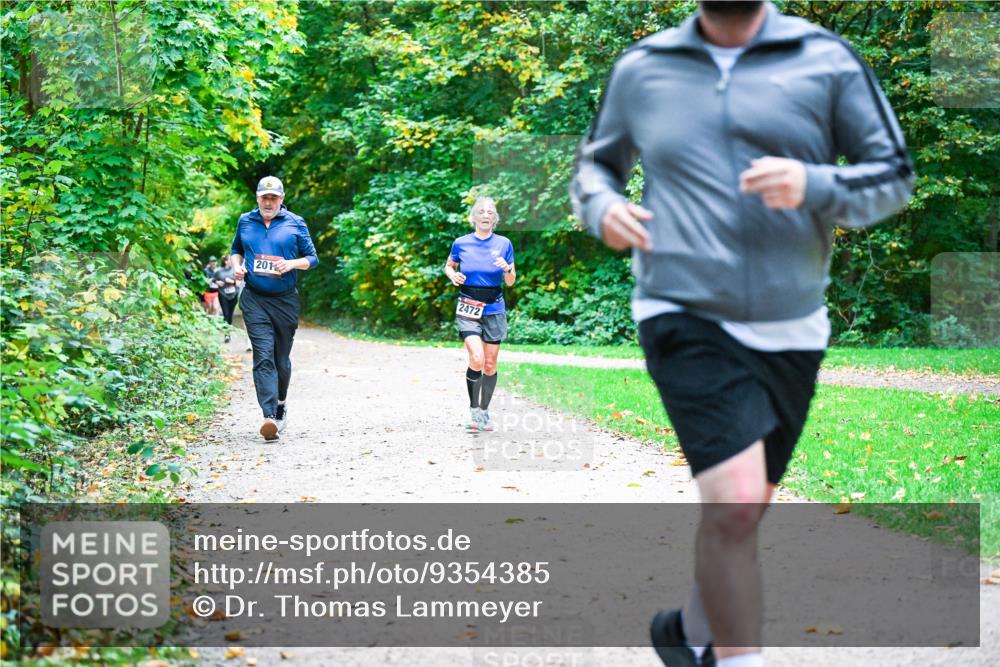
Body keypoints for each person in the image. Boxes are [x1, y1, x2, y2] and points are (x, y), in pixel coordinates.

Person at [571, 2, 914, 666]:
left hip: (793, 323)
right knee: (732, 506)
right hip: (681, 308)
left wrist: (816, 182)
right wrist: (604, 207)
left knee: (747, 507)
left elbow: (893, 175)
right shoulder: (644, 67)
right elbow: (595, 167)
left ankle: (690, 634)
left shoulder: (826, 61)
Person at [230, 176, 319, 441]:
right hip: (254, 297)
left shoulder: (295, 223)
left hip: (284, 300)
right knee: (263, 354)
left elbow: (313, 259)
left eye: (273, 198)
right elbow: (236, 249)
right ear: (257, 198)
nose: (268, 202)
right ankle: (269, 416)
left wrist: (291, 264)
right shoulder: (246, 221)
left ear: (281, 199)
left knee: (281, 358)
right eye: (264, 198)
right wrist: (236, 266)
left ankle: (281, 403)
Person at [444, 197, 516, 432]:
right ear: (474, 217)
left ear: (494, 219)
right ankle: (475, 413)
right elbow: (449, 266)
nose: (486, 215)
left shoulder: (504, 243)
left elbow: (511, 281)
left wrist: (506, 268)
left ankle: (484, 410)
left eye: (490, 212)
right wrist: (453, 276)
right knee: (476, 357)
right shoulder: (461, 243)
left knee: (489, 363)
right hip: (468, 305)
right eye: (481, 212)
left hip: (494, 307)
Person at [213, 256, 239, 341]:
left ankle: (228, 330)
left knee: (230, 315)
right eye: (230, 260)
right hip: (223, 294)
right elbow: (213, 279)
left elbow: (240, 281)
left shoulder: (235, 270)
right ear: (225, 261)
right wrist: (217, 282)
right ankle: (226, 334)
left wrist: (232, 281)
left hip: (234, 294)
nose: (231, 262)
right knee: (226, 314)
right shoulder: (219, 271)